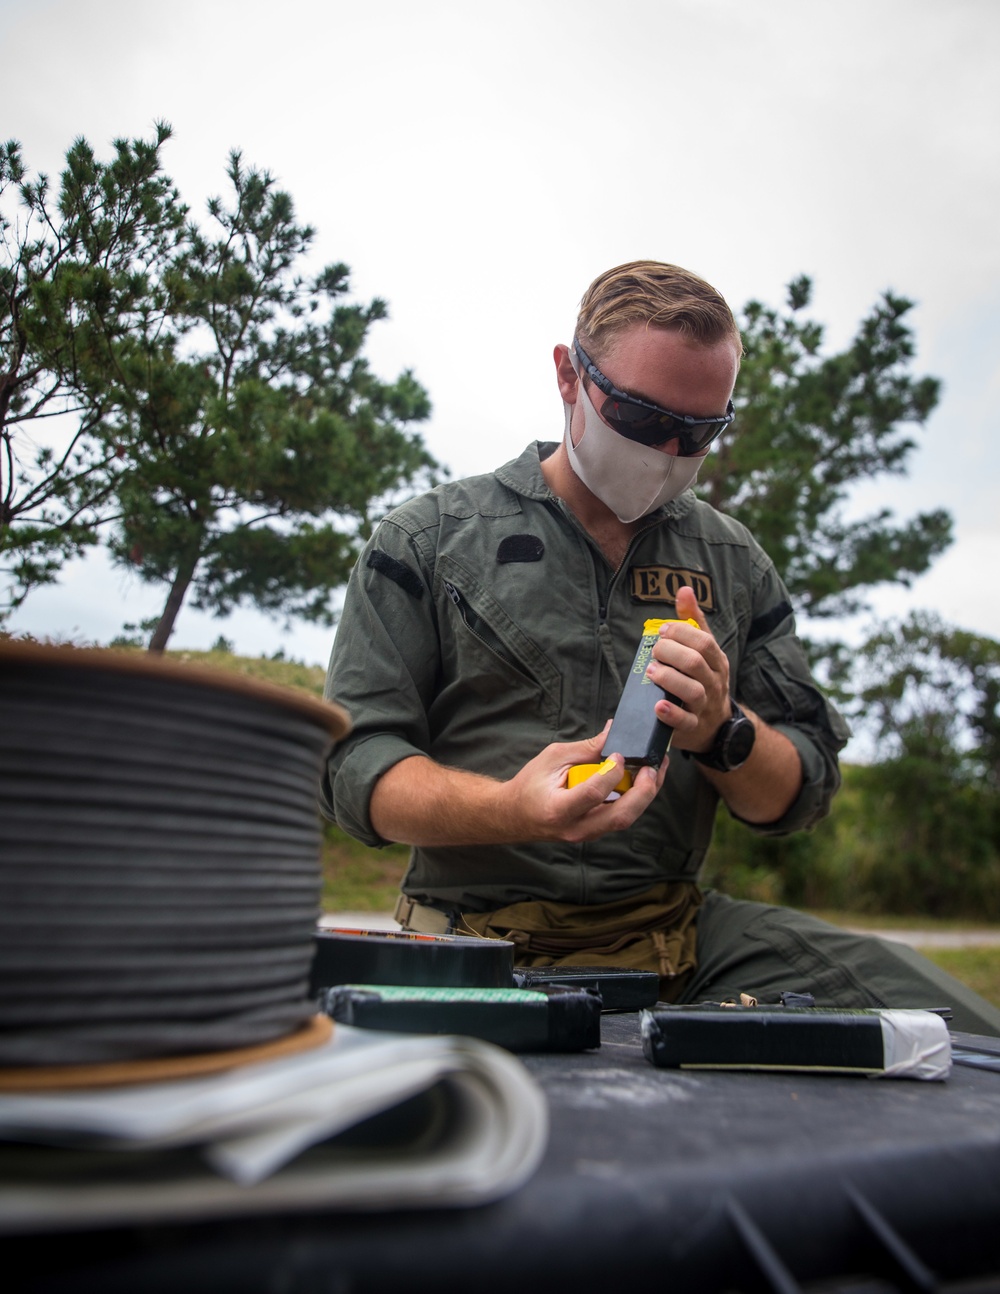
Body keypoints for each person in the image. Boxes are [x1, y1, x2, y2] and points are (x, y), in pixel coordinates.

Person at [321, 260, 1000, 1037]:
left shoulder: (734, 564)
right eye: (643, 420)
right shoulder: (428, 542)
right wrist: (513, 809)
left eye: (700, 432)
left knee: (959, 1031)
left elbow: (800, 793)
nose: (667, 453)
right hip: (475, 943)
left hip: (681, 941)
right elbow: (353, 772)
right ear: (569, 377)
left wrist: (723, 730)